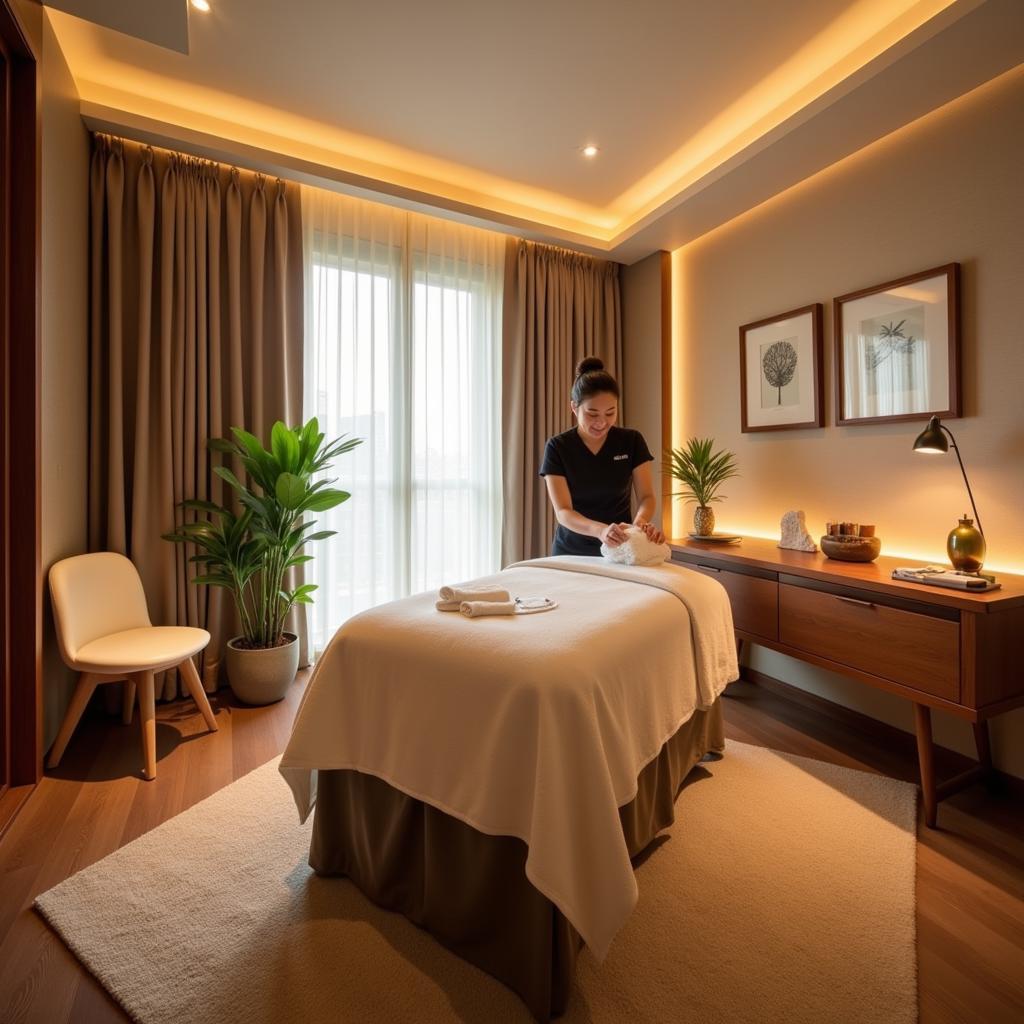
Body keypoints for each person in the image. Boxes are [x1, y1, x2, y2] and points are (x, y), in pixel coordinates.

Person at [540, 357, 666, 557]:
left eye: (610, 413)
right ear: (574, 407)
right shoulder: (558, 447)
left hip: (620, 549)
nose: (602, 422)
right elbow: (563, 511)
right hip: (572, 552)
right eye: (592, 414)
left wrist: (639, 523)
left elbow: (646, 497)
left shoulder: (631, 441)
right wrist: (600, 530)